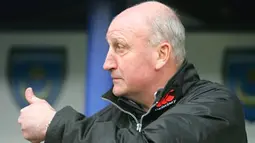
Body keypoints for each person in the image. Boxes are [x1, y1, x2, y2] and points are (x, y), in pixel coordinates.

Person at [18, 1, 248, 143]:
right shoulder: (104, 122)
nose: (107, 63)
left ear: (161, 54)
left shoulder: (216, 106)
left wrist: (54, 126)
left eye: (120, 47)